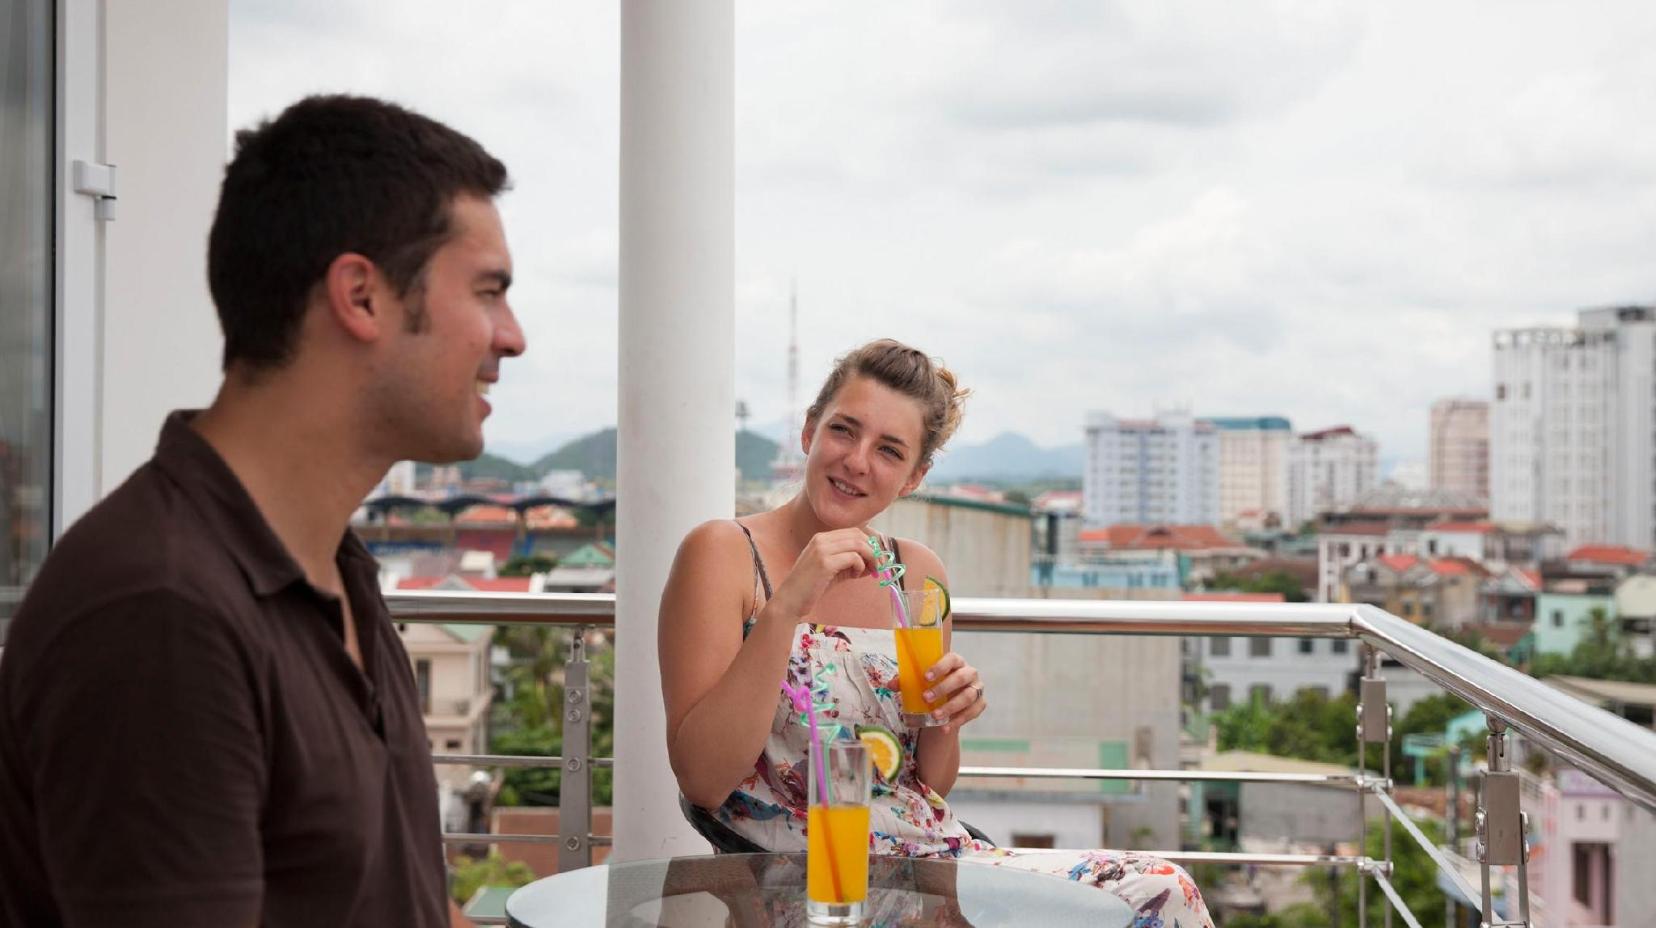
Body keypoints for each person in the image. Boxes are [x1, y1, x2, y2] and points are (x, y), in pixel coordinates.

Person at [0, 95, 525, 927]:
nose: (513, 336)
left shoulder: (328, 569)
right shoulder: (161, 610)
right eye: (489, 292)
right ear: (362, 297)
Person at [659, 339, 1213, 927]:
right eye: (844, 430)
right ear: (809, 432)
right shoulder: (722, 553)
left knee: (1161, 888)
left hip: (936, 870)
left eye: (889, 451)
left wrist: (949, 716)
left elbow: (927, 784)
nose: (857, 461)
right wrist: (786, 606)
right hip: (805, 883)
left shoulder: (914, 575)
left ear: (914, 476)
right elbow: (703, 777)